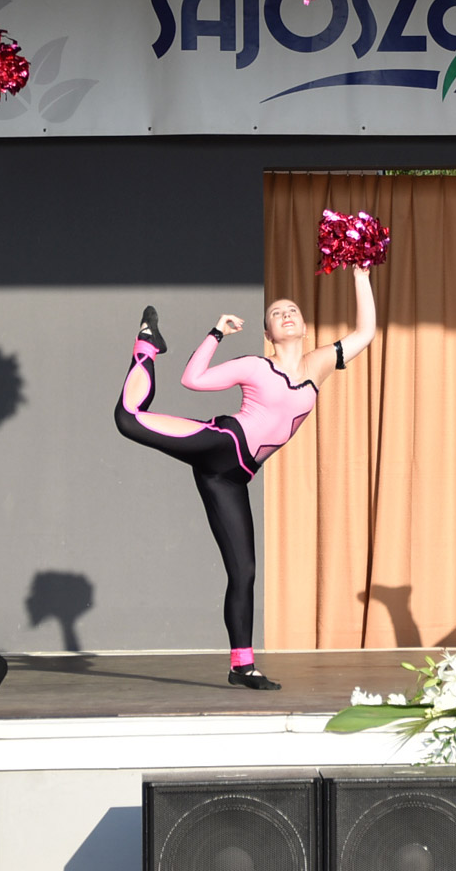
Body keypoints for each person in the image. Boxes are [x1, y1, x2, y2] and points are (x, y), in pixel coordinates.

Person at [116, 268, 377, 690]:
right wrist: (216, 333)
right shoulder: (256, 365)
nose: (286, 314)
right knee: (129, 419)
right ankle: (147, 345)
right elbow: (192, 379)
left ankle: (242, 667)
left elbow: (365, 332)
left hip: (232, 479)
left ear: (304, 327)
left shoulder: (320, 364)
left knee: (244, 572)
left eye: (292, 311)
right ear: (268, 334)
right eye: (276, 313)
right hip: (220, 444)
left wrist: (360, 275)